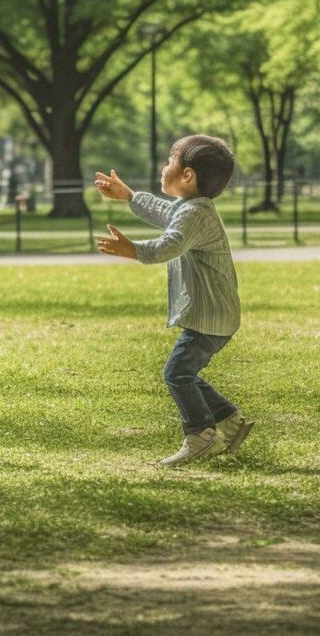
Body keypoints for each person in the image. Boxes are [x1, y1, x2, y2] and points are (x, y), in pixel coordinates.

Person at [93, 135, 252, 468]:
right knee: (184, 372)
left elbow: (169, 245)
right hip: (216, 315)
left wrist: (132, 249)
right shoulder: (192, 208)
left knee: (177, 373)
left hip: (211, 316)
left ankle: (200, 436)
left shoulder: (194, 214)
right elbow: (164, 211)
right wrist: (129, 196)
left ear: (188, 175)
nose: (164, 166)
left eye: (170, 160)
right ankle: (230, 423)